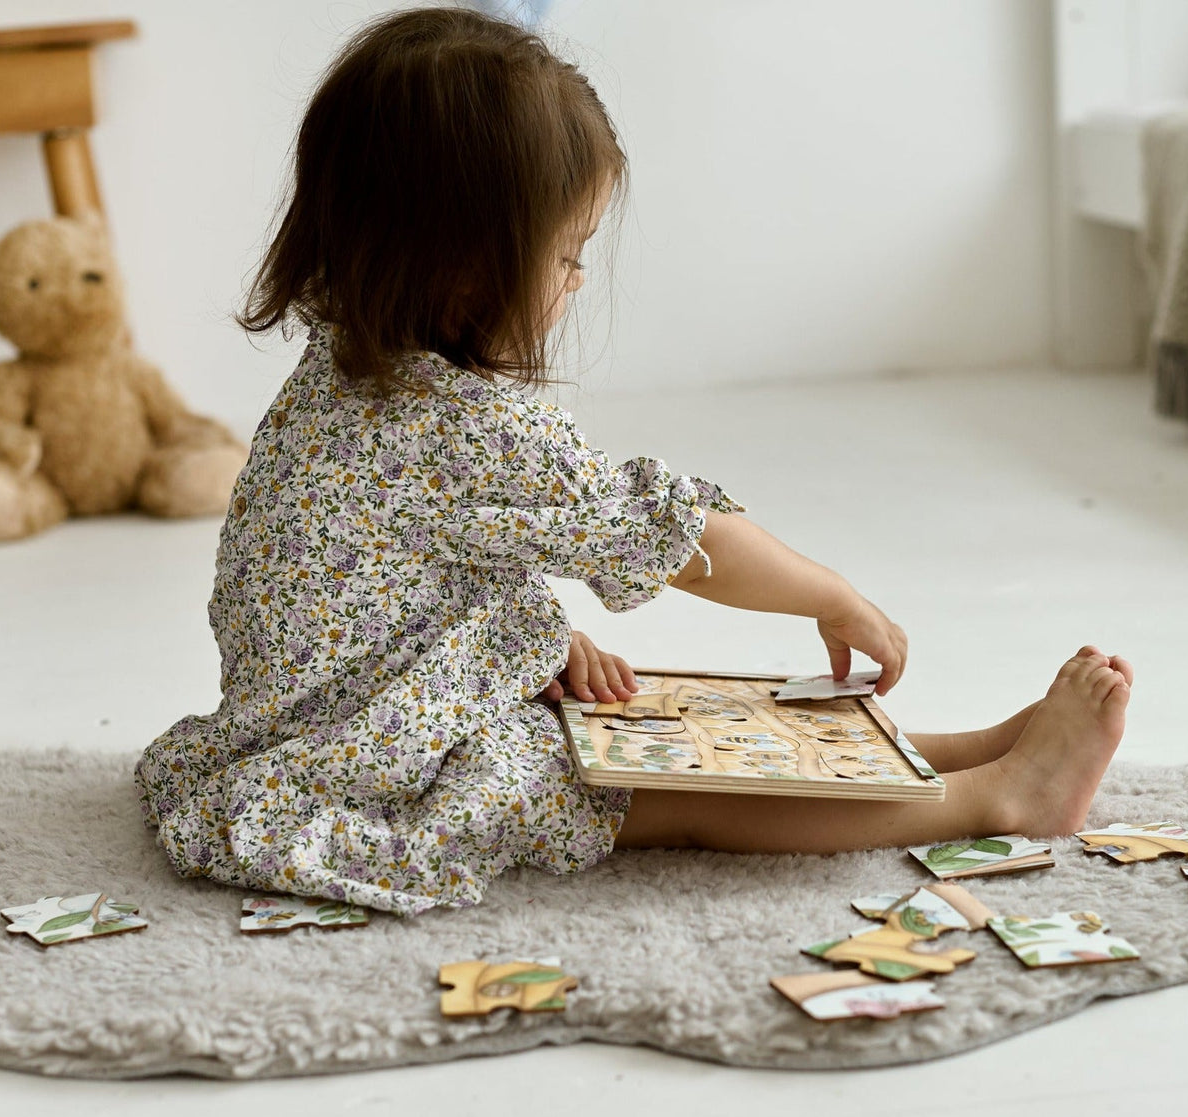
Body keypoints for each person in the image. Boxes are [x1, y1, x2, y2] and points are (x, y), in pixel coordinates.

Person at [134, 7, 1132, 916]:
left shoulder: (347, 370)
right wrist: (827, 594)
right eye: (568, 254)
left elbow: (389, 572)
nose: (576, 280)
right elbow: (676, 534)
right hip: (362, 766)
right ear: (464, 270)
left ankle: (938, 751)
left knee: (631, 709)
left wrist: (512, 634)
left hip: (350, 706)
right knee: (627, 778)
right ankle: (989, 792)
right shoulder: (463, 428)